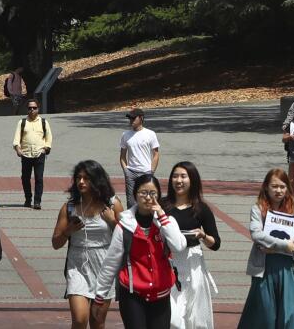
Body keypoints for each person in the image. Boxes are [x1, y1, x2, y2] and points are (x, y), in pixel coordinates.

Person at [93, 174, 186, 329]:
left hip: (161, 294)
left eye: (153, 193)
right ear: (135, 195)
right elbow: (110, 263)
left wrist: (162, 217)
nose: (148, 198)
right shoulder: (124, 226)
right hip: (132, 295)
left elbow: (179, 246)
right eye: (143, 193)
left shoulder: (166, 222)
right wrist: (99, 296)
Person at [237, 168, 294, 328]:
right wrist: (283, 245)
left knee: (291, 313)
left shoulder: (293, 211)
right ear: (266, 187)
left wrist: (281, 247)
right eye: (274, 186)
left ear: (288, 188)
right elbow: (256, 235)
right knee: (264, 313)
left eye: (282, 186)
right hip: (265, 269)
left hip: (288, 269)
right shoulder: (258, 209)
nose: (278, 190)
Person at [51, 160, 124, 329]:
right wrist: (68, 231)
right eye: (78, 178)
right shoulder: (69, 207)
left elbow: (127, 236)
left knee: (97, 321)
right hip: (77, 265)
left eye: (86, 178)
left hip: (104, 265)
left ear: (97, 180)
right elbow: (55, 243)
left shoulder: (112, 204)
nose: (81, 182)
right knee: (79, 319)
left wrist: (113, 221)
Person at [163, 162, 220, 329]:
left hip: (192, 263)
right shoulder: (163, 205)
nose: (178, 180)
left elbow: (215, 243)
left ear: (192, 180)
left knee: (194, 314)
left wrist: (203, 236)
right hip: (167, 261)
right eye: (175, 176)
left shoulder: (201, 208)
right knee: (172, 315)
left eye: (183, 176)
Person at [14, 98, 53, 209]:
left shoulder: (44, 122)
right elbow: (17, 138)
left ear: (38, 109)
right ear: (27, 109)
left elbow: (49, 137)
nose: (32, 110)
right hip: (25, 154)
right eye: (30, 108)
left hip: (39, 154)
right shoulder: (22, 122)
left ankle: (37, 202)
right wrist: (18, 149)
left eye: (34, 108)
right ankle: (28, 198)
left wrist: (46, 149)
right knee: (25, 178)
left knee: (39, 178)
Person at [119, 108, 160, 208]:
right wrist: (126, 171)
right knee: (131, 201)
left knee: (147, 200)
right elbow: (122, 156)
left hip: (146, 172)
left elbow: (156, 154)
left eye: (133, 118)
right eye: (130, 118)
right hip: (131, 173)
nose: (131, 121)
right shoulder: (125, 135)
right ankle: (132, 222)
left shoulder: (150, 134)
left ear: (141, 118)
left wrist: (151, 172)